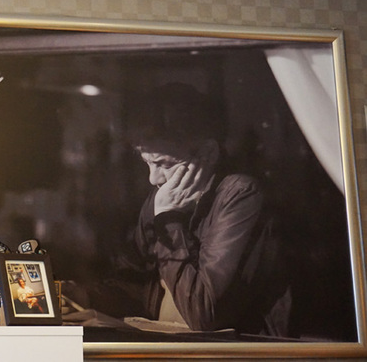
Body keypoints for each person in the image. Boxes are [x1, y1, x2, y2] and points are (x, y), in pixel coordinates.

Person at [94, 83, 292, 337]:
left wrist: (168, 221)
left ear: (208, 153)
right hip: (166, 346)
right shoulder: (162, 198)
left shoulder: (241, 195)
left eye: (164, 164)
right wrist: (81, 296)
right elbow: (137, 285)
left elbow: (204, 313)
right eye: (148, 164)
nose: (153, 179)